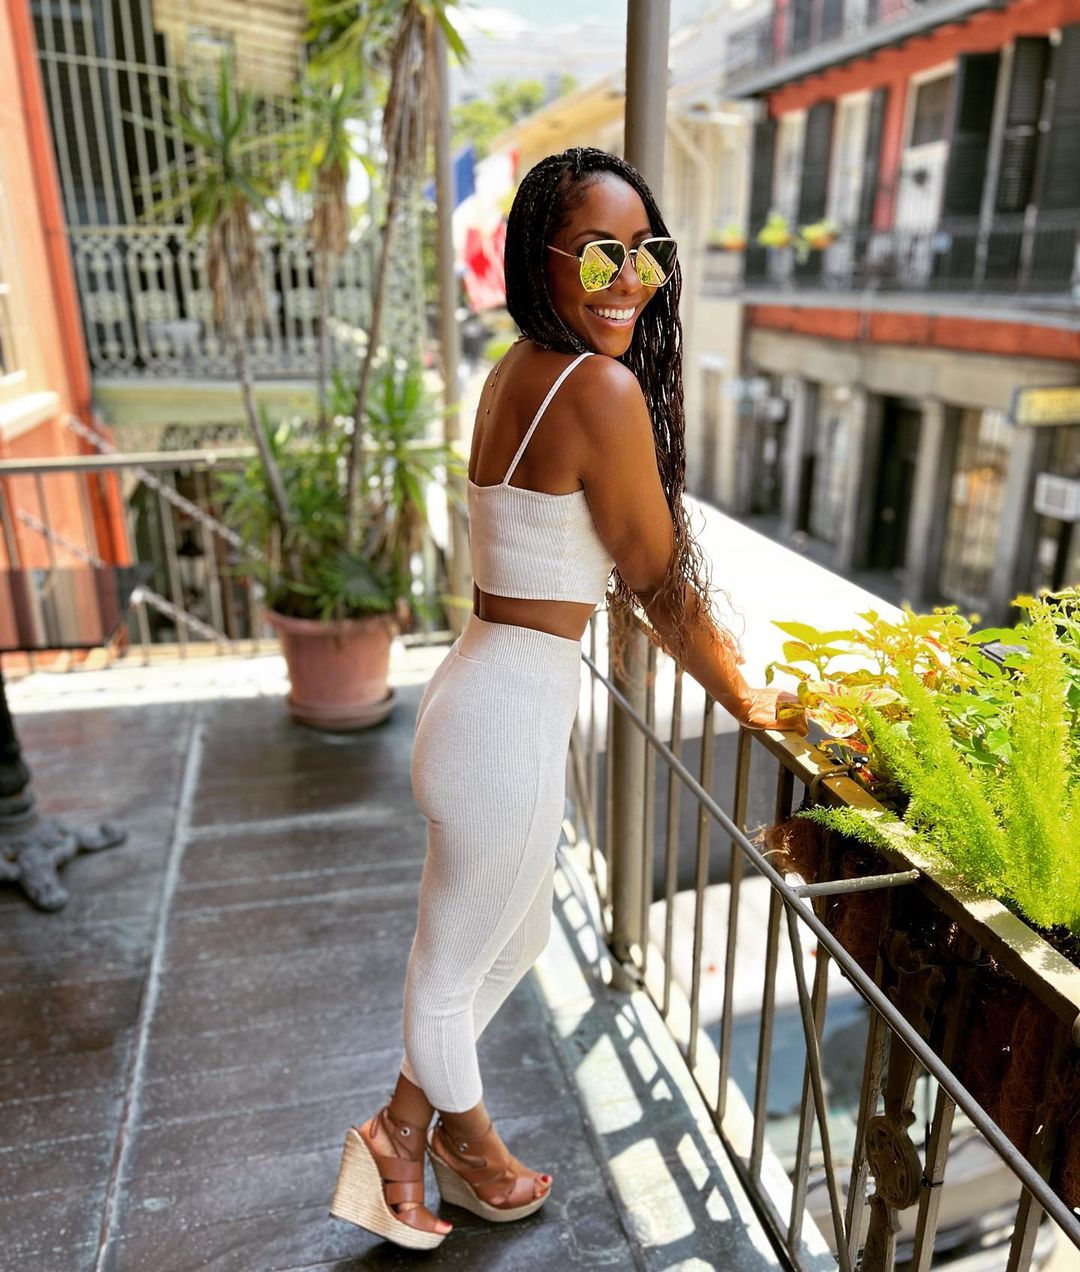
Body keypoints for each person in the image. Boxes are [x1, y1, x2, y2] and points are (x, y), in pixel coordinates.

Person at [328, 146, 807, 1251]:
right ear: (541, 258)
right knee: (448, 971)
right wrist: (748, 698)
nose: (627, 279)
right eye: (599, 254)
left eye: (645, 253)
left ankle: (417, 1129)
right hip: (501, 719)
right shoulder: (595, 387)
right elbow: (660, 582)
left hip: (491, 695)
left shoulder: (517, 370)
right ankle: (429, 1145)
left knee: (521, 934)